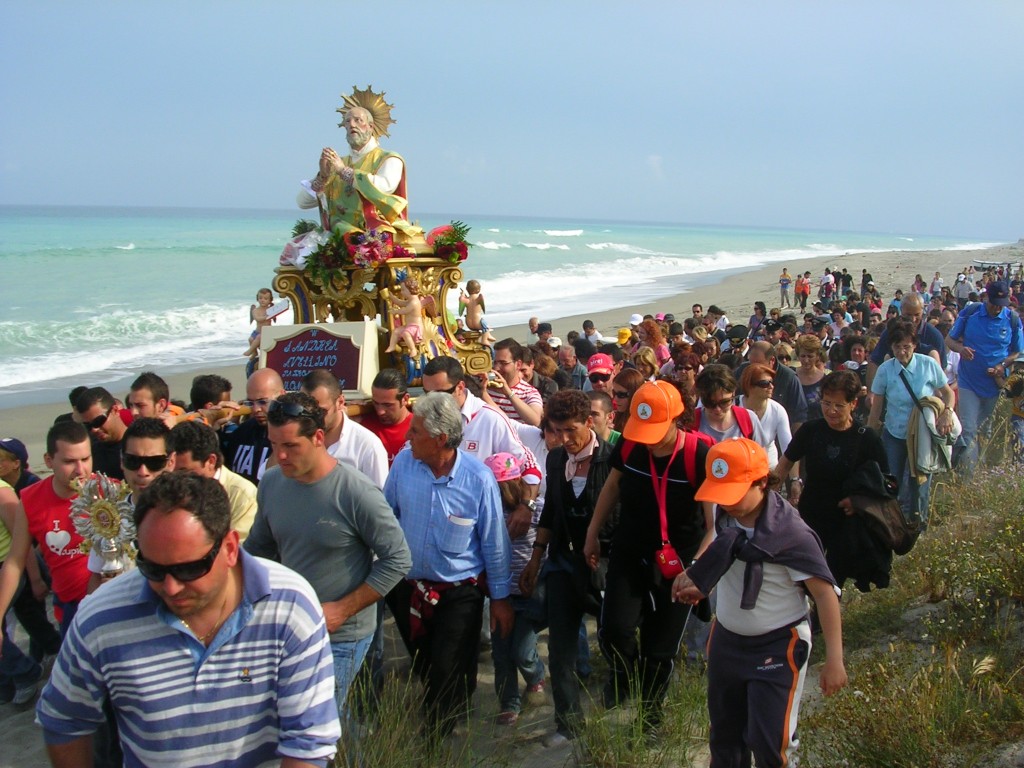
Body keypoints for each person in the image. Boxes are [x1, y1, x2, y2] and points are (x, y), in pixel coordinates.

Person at [38, 472, 342, 766]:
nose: (170, 587)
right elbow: (64, 718)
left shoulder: (290, 606)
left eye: (188, 569)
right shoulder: (101, 618)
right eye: (153, 569)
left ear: (230, 549)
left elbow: (308, 740)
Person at [672, 438, 847, 768]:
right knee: (725, 739)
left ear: (763, 482)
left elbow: (825, 594)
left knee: (770, 742)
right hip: (727, 640)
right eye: (721, 495)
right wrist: (698, 577)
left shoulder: (791, 534)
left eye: (735, 494)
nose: (728, 504)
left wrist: (834, 659)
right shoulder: (727, 517)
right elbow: (724, 554)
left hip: (778, 645)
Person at [244, 392, 410, 722]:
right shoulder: (273, 483)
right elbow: (258, 550)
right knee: (328, 726)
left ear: (318, 438)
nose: (280, 455)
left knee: (317, 720)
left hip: (343, 633)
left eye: (291, 446)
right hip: (289, 626)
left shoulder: (355, 492)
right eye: (274, 444)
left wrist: (340, 610)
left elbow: (398, 559)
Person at [581, 380, 711, 735]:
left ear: (676, 418)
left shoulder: (698, 455)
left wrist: (696, 570)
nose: (649, 439)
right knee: (614, 632)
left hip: (678, 563)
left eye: (656, 429)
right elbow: (612, 486)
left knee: (660, 649)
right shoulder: (632, 444)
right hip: (630, 550)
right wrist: (593, 533)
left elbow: (713, 527)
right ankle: (624, 678)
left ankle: (650, 717)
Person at [383, 392, 513, 735]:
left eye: (415, 431)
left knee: (447, 664)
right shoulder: (403, 464)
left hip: (459, 592)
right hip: (408, 587)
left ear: (440, 439)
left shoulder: (478, 479)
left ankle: (435, 737)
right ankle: (453, 700)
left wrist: (500, 599)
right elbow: (387, 516)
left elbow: (494, 543)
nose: (408, 437)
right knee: (424, 663)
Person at [520, 390, 617, 746]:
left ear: (589, 423)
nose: (563, 439)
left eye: (570, 430)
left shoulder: (614, 459)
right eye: (556, 430)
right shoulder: (556, 459)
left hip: (605, 566)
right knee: (560, 649)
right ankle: (568, 723)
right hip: (562, 564)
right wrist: (536, 558)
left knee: (616, 640)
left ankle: (621, 702)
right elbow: (551, 512)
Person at [777, 371, 888, 588]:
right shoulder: (812, 430)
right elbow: (784, 464)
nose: (831, 411)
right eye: (826, 403)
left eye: (839, 405)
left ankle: (825, 620)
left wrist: (858, 501)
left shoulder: (866, 438)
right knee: (806, 576)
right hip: (812, 515)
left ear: (853, 404)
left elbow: (888, 483)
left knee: (832, 580)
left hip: (846, 522)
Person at [420, 356, 541, 539]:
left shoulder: (490, 419)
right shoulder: (425, 418)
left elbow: (530, 465)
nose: (432, 402)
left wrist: (526, 507)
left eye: (439, 394)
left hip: (482, 530)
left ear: (460, 387)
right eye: (426, 394)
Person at [0, 422, 92, 639]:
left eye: (86, 459)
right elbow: (15, 560)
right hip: (67, 604)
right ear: (49, 460)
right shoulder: (31, 499)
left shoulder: (108, 491)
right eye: (69, 461)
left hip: (107, 599)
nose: (81, 470)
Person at [867, 321, 956, 528]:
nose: (902, 351)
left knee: (920, 482)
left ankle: (919, 526)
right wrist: (870, 438)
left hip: (922, 434)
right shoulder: (885, 370)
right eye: (897, 347)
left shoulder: (928, 364)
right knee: (892, 481)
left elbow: (948, 393)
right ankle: (893, 525)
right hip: (895, 433)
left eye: (906, 346)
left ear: (914, 345)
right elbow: (876, 409)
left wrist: (947, 413)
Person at [298, 97, 419, 244]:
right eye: (347, 122)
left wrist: (344, 172)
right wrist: (322, 177)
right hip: (339, 238)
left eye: (358, 120)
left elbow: (385, 187)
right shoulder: (337, 163)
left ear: (370, 126)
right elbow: (302, 202)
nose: (352, 125)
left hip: (375, 235)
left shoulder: (389, 158)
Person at [483, 453, 546, 727]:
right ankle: (509, 703)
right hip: (500, 594)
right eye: (497, 487)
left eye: (507, 485)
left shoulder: (537, 510)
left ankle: (535, 675)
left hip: (530, 594)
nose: (502, 493)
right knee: (501, 653)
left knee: (522, 650)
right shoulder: (487, 511)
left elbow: (547, 545)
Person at [946, 280, 1024, 477]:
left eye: (1002, 303)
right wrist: (961, 349)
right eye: (994, 302)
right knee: (969, 429)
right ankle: (967, 478)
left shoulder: (1012, 319)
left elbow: (1017, 352)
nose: (997, 307)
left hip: (996, 384)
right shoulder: (970, 312)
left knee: (987, 430)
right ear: (986, 298)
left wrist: (1002, 365)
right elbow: (950, 340)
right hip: (968, 381)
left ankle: (985, 472)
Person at [168, 420, 258, 542]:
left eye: (184, 472)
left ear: (211, 461)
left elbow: (238, 551)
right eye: (171, 471)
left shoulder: (243, 496)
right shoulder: (165, 489)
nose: (176, 479)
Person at [301, 369, 388, 488]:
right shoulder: (298, 438)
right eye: (306, 411)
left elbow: (380, 500)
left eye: (321, 411)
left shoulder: (368, 446)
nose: (313, 417)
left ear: (340, 402)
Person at [221, 367, 284, 486]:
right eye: (250, 403)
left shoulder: (290, 438)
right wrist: (215, 430)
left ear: (281, 396)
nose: (256, 409)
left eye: (263, 402)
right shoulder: (241, 433)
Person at [738, 363, 792, 468]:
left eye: (771, 382)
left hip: (768, 470)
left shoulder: (777, 410)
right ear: (749, 386)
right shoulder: (733, 407)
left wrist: (794, 479)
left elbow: (789, 449)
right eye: (764, 383)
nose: (771, 386)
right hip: (739, 470)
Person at [481, 339, 544, 426]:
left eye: (503, 363)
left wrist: (509, 394)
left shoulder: (529, 392)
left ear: (518, 364)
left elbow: (535, 421)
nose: (496, 368)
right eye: (494, 363)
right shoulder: (485, 387)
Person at [360, 368, 414, 466]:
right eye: (376, 403)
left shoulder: (419, 428)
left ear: (405, 399)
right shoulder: (363, 425)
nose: (380, 412)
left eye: (388, 405)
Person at [75, 387, 129, 480]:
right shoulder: (89, 454)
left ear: (115, 410)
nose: (94, 429)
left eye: (98, 421)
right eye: (88, 425)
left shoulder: (140, 446)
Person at [794, 334, 826, 422]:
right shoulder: (791, 377)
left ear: (818, 357)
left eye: (810, 356)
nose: (806, 360)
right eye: (803, 356)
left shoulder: (826, 380)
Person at [459, 279, 497, 347]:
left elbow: (462, 299)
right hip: (477, 322)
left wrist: (462, 295)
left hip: (468, 323)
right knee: (485, 324)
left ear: (467, 289)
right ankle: (484, 339)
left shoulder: (466, 300)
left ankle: (487, 335)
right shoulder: (478, 298)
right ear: (479, 290)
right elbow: (481, 303)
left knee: (483, 325)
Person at [610, 368, 645, 434]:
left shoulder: (642, 424)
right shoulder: (614, 418)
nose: (615, 399)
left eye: (621, 394)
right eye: (614, 393)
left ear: (635, 394)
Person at [245, 287, 276, 362]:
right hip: (257, 331)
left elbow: (278, 311)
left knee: (259, 337)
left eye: (265, 299)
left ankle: (249, 351)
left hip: (267, 332)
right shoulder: (255, 310)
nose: (262, 300)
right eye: (260, 298)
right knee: (251, 339)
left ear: (270, 300)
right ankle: (254, 352)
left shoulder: (271, 310)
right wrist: (266, 317)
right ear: (257, 299)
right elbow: (258, 319)